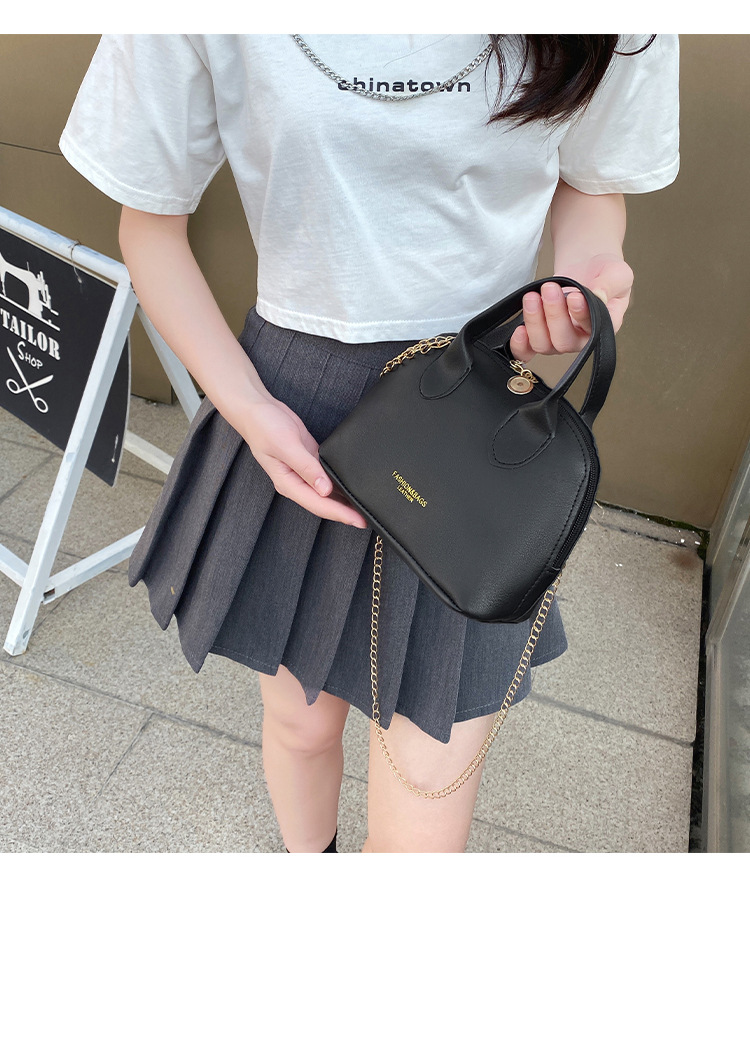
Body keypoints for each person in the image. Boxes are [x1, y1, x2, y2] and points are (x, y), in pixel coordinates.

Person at [59, 33, 679, 853]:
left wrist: (589, 273)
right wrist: (245, 405)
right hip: (293, 404)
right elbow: (150, 224)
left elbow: (589, 180)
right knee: (300, 723)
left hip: (473, 424)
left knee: (426, 795)